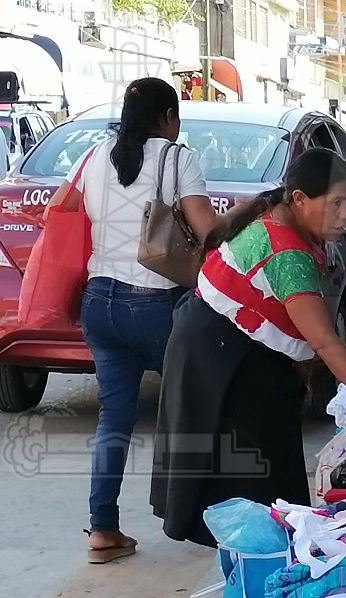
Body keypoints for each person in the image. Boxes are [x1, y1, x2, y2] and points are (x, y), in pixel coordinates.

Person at [151, 148, 346, 548]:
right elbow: (325, 342)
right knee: (255, 502)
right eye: (335, 203)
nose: (345, 213)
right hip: (227, 362)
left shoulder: (273, 214)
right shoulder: (288, 254)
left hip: (215, 345)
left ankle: (250, 577)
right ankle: (258, 588)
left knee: (248, 497)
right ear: (299, 199)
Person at [49, 77, 226, 564]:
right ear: (168, 117)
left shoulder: (93, 156)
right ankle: (200, 520)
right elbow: (208, 229)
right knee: (193, 410)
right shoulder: (177, 157)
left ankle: (103, 529)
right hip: (155, 303)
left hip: (98, 302)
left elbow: (57, 208)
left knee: (115, 420)